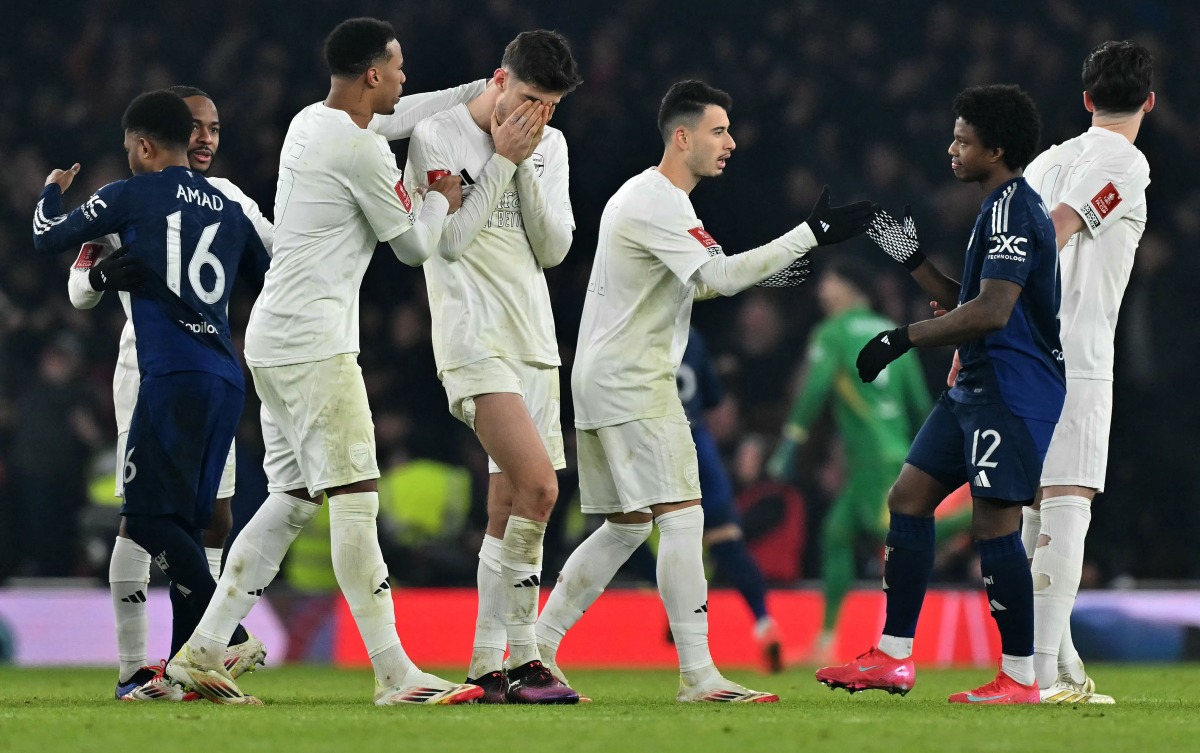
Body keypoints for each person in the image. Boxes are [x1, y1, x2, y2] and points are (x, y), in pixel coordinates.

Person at [165, 17, 484, 706]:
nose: (404, 78)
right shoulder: (362, 153)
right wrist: (439, 196)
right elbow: (414, 247)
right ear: (373, 74)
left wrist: (476, 90)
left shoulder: (313, 122)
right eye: (397, 68)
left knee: (292, 497)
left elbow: (402, 117)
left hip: (274, 338)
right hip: (314, 343)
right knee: (357, 495)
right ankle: (395, 672)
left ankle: (200, 649)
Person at [535, 80, 873, 702]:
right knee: (685, 516)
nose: (732, 142)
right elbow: (717, 276)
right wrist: (808, 234)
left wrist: (804, 242)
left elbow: (711, 281)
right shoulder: (655, 200)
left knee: (627, 526)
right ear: (682, 136)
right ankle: (699, 676)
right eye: (719, 131)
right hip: (633, 379)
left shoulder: (661, 202)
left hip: (606, 376)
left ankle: (537, 650)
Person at [816, 84, 1061, 704]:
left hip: (1011, 389)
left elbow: (994, 311)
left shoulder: (1013, 208)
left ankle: (1020, 677)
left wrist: (903, 337)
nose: (951, 148)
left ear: (996, 149)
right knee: (909, 496)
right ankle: (893, 657)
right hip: (975, 386)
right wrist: (906, 254)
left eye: (963, 140)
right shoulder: (994, 207)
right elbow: (969, 300)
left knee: (992, 523)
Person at [32, 89, 270, 699]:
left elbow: (278, 261)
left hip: (186, 370)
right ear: (174, 133)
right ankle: (144, 663)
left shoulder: (216, 196)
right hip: (158, 371)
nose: (206, 139)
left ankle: (198, 651)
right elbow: (80, 291)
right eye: (196, 127)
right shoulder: (207, 203)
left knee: (201, 517)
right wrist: (102, 275)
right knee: (143, 523)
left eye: (216, 128)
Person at [403, 29, 583, 704]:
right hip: (473, 334)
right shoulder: (438, 135)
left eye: (552, 106)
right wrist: (503, 160)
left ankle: (486, 664)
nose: (539, 116)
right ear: (499, 80)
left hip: (534, 337)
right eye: (531, 99)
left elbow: (556, 247)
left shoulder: (551, 145)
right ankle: (530, 654)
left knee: (508, 505)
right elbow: (445, 241)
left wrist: (526, 162)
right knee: (540, 489)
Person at [1019, 40, 1154, 704]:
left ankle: (1053, 661)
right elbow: (1061, 225)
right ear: (1149, 102)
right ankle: (1042, 675)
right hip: (1073, 353)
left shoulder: (1047, 159)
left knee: (1034, 506)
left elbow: (1008, 234)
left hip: (1019, 346)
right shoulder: (1125, 159)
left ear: (1085, 98)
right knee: (1068, 502)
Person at [767, 258, 930, 663]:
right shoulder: (894, 333)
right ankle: (825, 641)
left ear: (849, 288)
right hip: (895, 453)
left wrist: (789, 445)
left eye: (830, 280)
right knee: (836, 534)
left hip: (873, 459)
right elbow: (920, 404)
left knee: (891, 535)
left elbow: (815, 389)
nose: (823, 290)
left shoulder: (833, 333)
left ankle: (978, 522)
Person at [679, 327, 784, 671]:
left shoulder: (633, 324)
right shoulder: (692, 336)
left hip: (654, 441)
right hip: (699, 445)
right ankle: (764, 621)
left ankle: (676, 611)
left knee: (632, 533)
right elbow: (712, 397)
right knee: (727, 540)